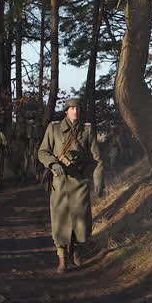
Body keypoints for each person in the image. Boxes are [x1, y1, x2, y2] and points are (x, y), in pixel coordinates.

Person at [37, 98, 104, 273]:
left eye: (78, 108)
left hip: (80, 182)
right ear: (66, 111)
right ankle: (61, 258)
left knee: (79, 221)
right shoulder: (53, 129)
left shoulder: (87, 130)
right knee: (60, 221)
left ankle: (75, 252)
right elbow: (42, 152)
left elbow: (97, 159)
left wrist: (98, 181)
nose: (75, 111)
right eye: (71, 108)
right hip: (59, 183)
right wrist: (53, 163)